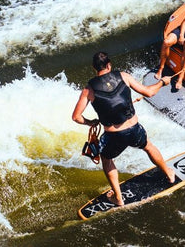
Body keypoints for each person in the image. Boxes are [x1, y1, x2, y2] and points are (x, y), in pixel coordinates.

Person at [72, 52, 175, 206]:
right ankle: (169, 175)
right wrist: (162, 82)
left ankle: (119, 198)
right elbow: (149, 92)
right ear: (109, 65)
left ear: (94, 68)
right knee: (148, 146)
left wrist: (91, 122)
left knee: (107, 160)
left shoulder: (89, 89)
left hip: (113, 136)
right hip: (134, 129)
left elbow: (76, 117)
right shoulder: (123, 76)